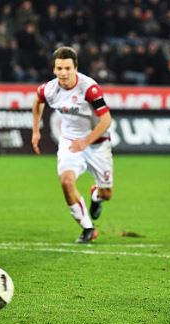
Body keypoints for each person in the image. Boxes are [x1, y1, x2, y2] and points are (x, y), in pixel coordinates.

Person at [31, 46, 113, 244]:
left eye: (67, 68)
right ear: (54, 70)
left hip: (97, 143)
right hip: (69, 142)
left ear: (75, 68)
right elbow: (37, 101)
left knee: (107, 194)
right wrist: (36, 130)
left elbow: (106, 120)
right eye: (59, 69)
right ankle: (87, 228)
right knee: (67, 182)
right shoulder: (49, 89)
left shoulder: (90, 89)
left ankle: (96, 195)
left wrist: (85, 141)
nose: (63, 73)